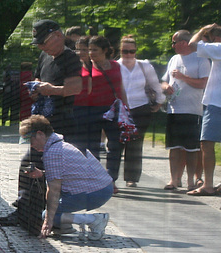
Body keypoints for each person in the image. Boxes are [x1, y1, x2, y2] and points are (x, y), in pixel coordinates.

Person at [0, 19, 81, 229]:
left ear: (58, 36)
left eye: (44, 42)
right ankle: (28, 211)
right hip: (42, 123)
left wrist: (51, 89)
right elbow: (38, 76)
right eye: (39, 43)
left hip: (61, 123)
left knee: (46, 170)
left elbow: (75, 88)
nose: (42, 47)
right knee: (31, 165)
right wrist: (35, 88)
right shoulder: (44, 55)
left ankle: (48, 216)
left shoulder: (71, 58)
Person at [20, 115, 112, 240]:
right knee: (52, 209)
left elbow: (54, 190)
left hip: (95, 193)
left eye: (30, 140)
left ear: (40, 134)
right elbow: (67, 172)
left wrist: (48, 220)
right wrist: (42, 173)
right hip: (103, 187)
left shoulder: (52, 152)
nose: (31, 145)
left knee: (47, 214)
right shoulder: (60, 144)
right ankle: (64, 226)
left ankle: (94, 219)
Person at [161, 30, 210, 191]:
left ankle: (191, 181)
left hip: (193, 110)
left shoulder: (200, 59)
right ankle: (174, 180)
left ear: (183, 42)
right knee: (174, 147)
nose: (172, 45)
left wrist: (183, 78)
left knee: (191, 148)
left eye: (174, 42)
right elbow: (164, 81)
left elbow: (204, 83)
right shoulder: (174, 59)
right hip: (174, 109)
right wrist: (166, 87)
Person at [117, 35, 165, 188]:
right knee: (117, 144)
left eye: (132, 51)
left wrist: (159, 102)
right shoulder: (115, 66)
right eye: (125, 51)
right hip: (120, 109)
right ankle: (110, 177)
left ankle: (132, 178)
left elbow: (156, 85)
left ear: (136, 51)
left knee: (135, 144)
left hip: (140, 108)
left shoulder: (145, 66)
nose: (129, 55)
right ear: (120, 51)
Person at [87, 36, 128, 194]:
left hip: (113, 109)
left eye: (95, 50)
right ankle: (96, 179)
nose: (91, 53)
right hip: (92, 110)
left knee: (115, 146)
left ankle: (111, 179)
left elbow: (121, 87)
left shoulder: (115, 66)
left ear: (105, 50)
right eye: (90, 49)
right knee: (93, 146)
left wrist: (126, 106)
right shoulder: (86, 67)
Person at [186, 24, 221, 196]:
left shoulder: (219, 48)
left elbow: (191, 45)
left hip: (216, 102)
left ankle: (208, 184)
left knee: (207, 143)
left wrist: (201, 30)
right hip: (216, 102)